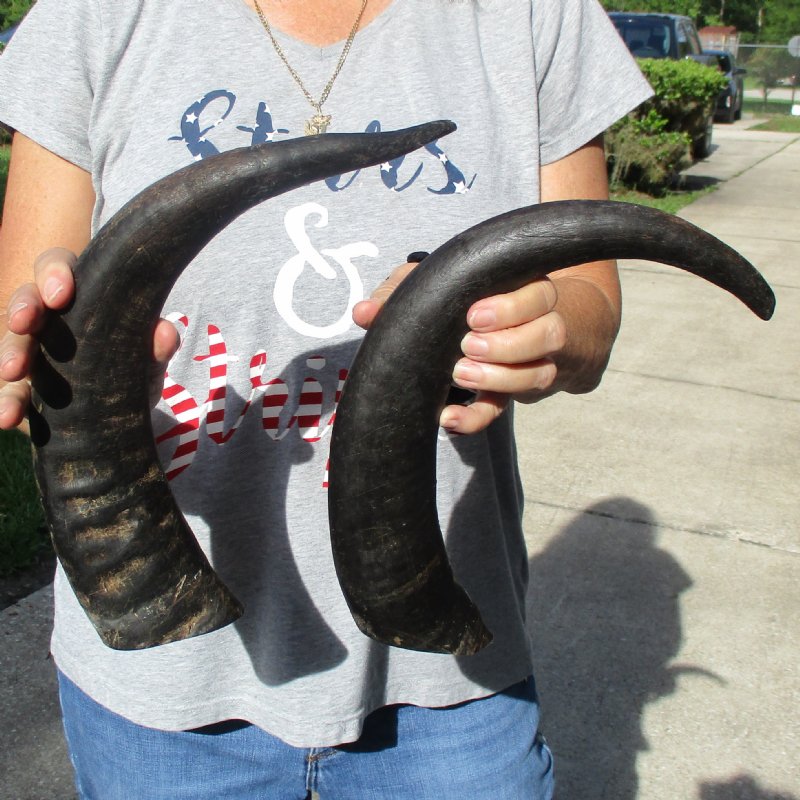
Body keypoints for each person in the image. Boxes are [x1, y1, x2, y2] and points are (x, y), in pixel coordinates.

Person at [0, 1, 652, 797]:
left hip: (449, 690)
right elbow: (25, 316)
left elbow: (590, 307)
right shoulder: (94, 13)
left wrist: (530, 327)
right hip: (165, 690)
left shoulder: (534, 14)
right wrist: (56, 355)